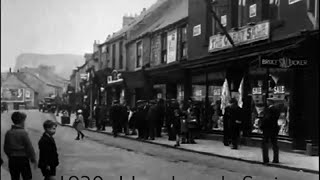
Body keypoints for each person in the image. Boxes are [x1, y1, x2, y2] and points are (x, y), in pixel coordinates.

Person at [4, 111, 37, 180]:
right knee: (27, 177)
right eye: (24, 121)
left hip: (12, 160)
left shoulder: (8, 133)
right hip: (23, 159)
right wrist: (33, 159)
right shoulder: (23, 133)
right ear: (22, 121)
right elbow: (29, 147)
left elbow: (6, 148)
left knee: (14, 177)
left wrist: (10, 155)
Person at [260, 98, 281, 164]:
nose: (266, 102)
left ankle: (266, 160)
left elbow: (266, 119)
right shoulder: (277, 109)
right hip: (274, 129)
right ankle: (276, 159)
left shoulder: (269, 110)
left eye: (267, 101)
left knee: (265, 144)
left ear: (269, 102)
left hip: (267, 129)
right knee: (274, 144)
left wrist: (261, 126)